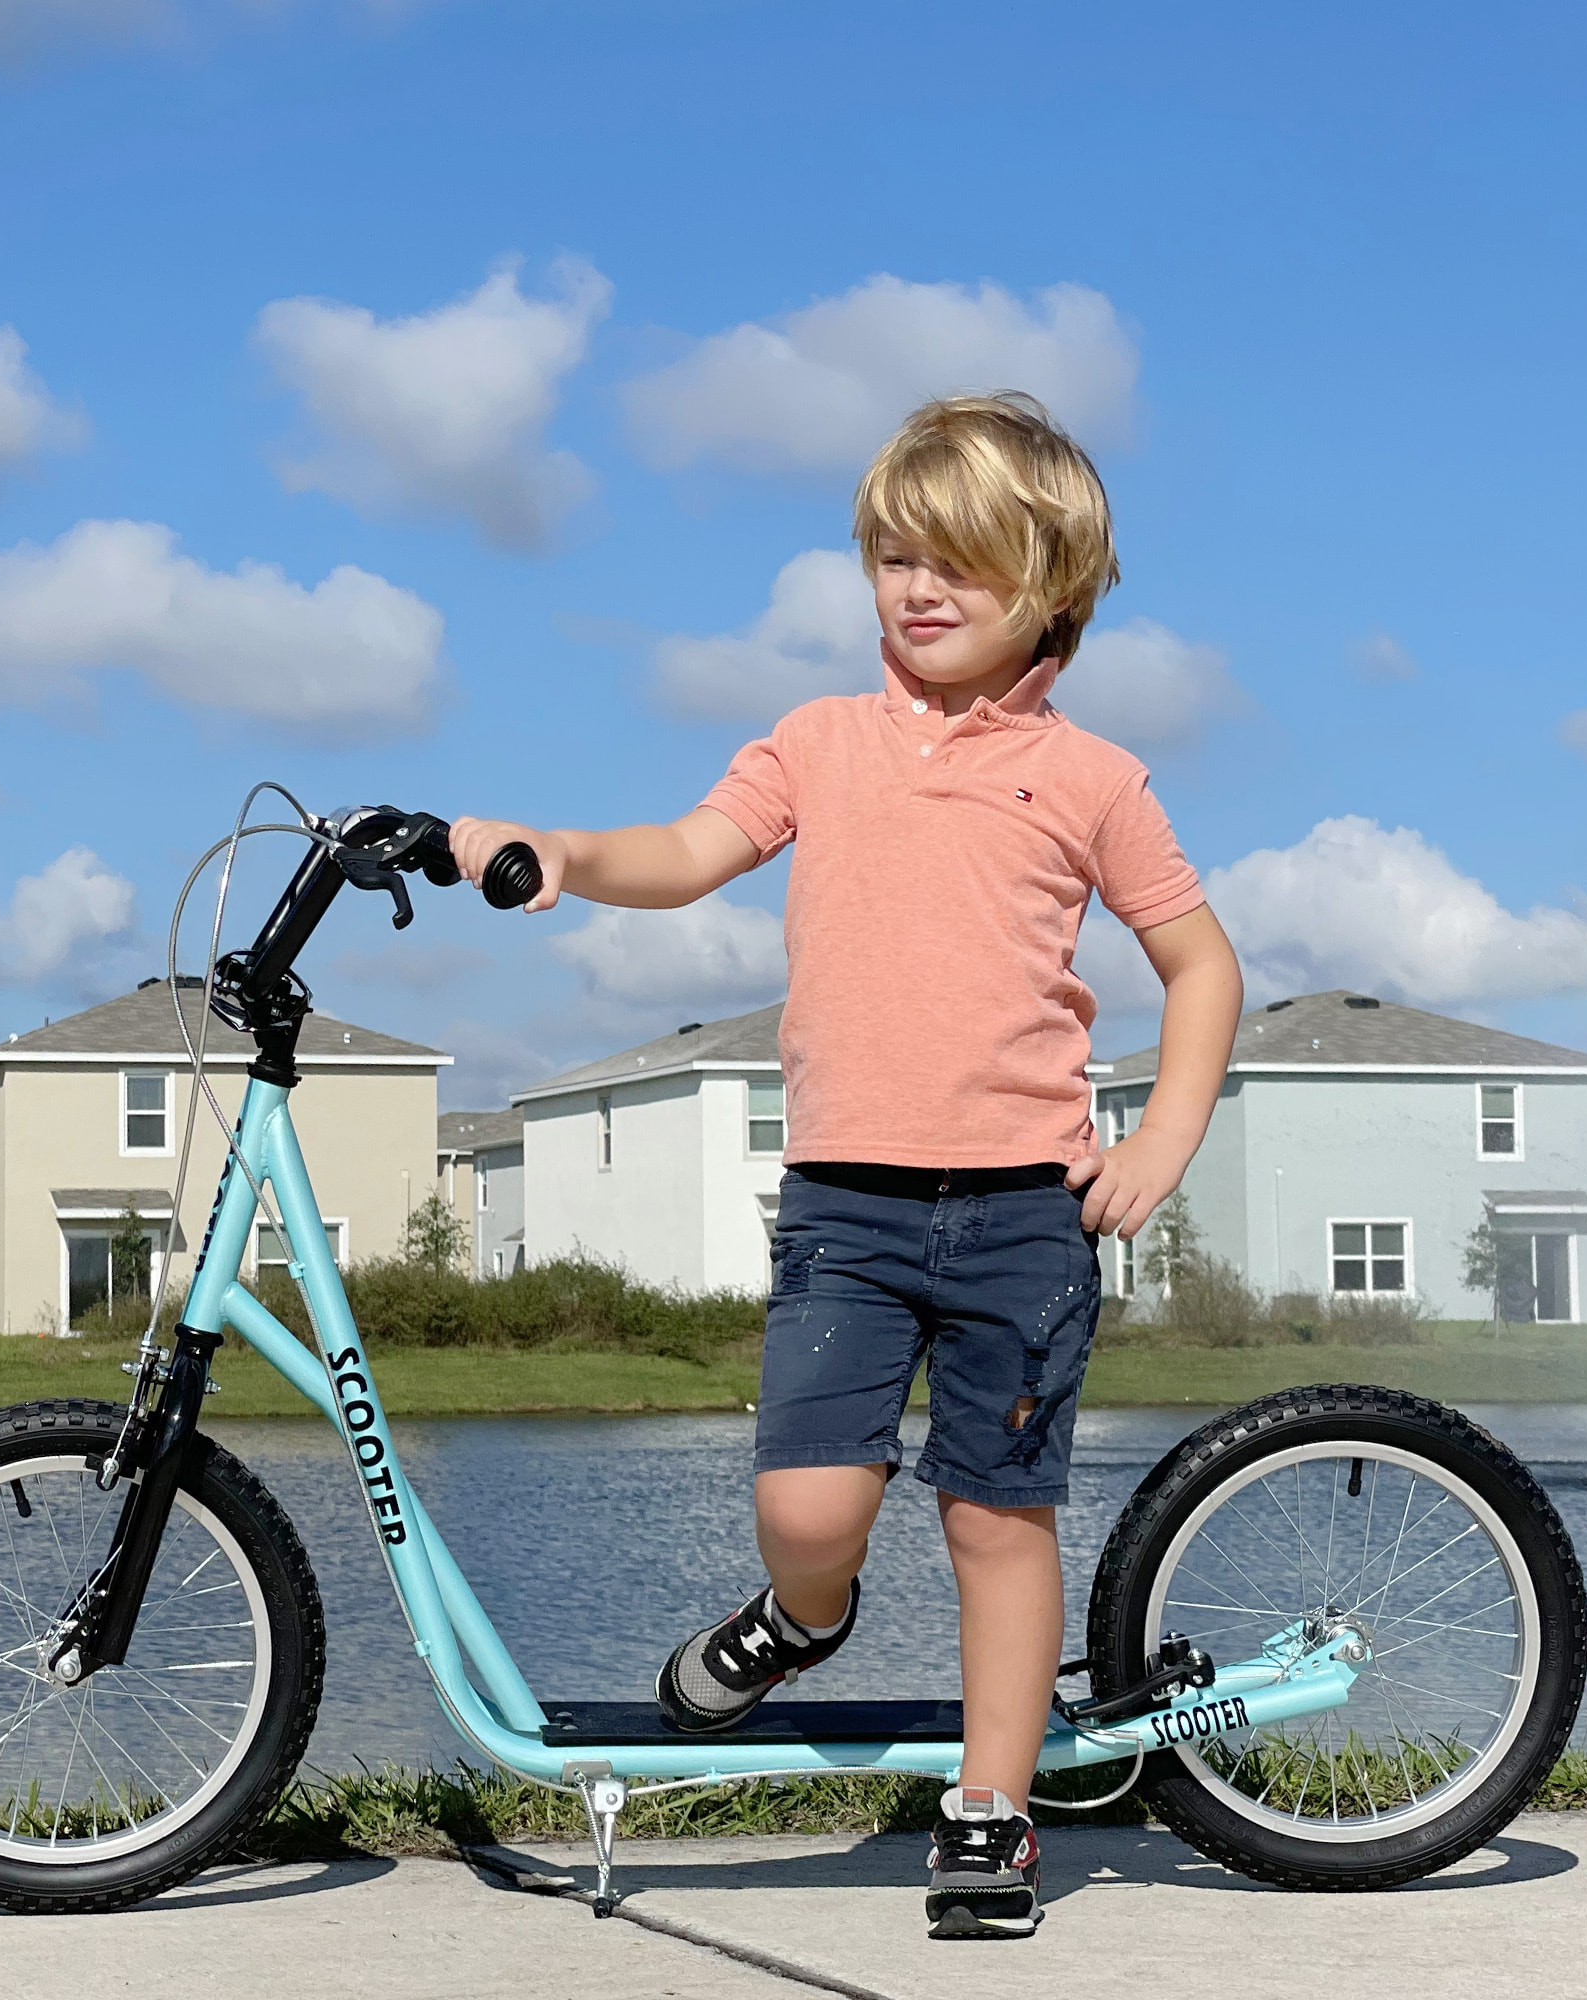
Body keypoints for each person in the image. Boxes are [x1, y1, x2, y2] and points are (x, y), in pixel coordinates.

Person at [452, 391, 1243, 1941]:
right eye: (893, 556)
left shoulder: (1095, 780)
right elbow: (684, 850)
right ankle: (803, 1620)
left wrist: (1163, 1137)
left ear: (1055, 593)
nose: (918, 589)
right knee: (811, 1509)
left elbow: (1201, 967)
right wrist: (554, 847)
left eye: (961, 563)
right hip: (847, 1208)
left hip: (1022, 1210)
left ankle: (994, 1812)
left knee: (993, 1518)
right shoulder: (817, 746)